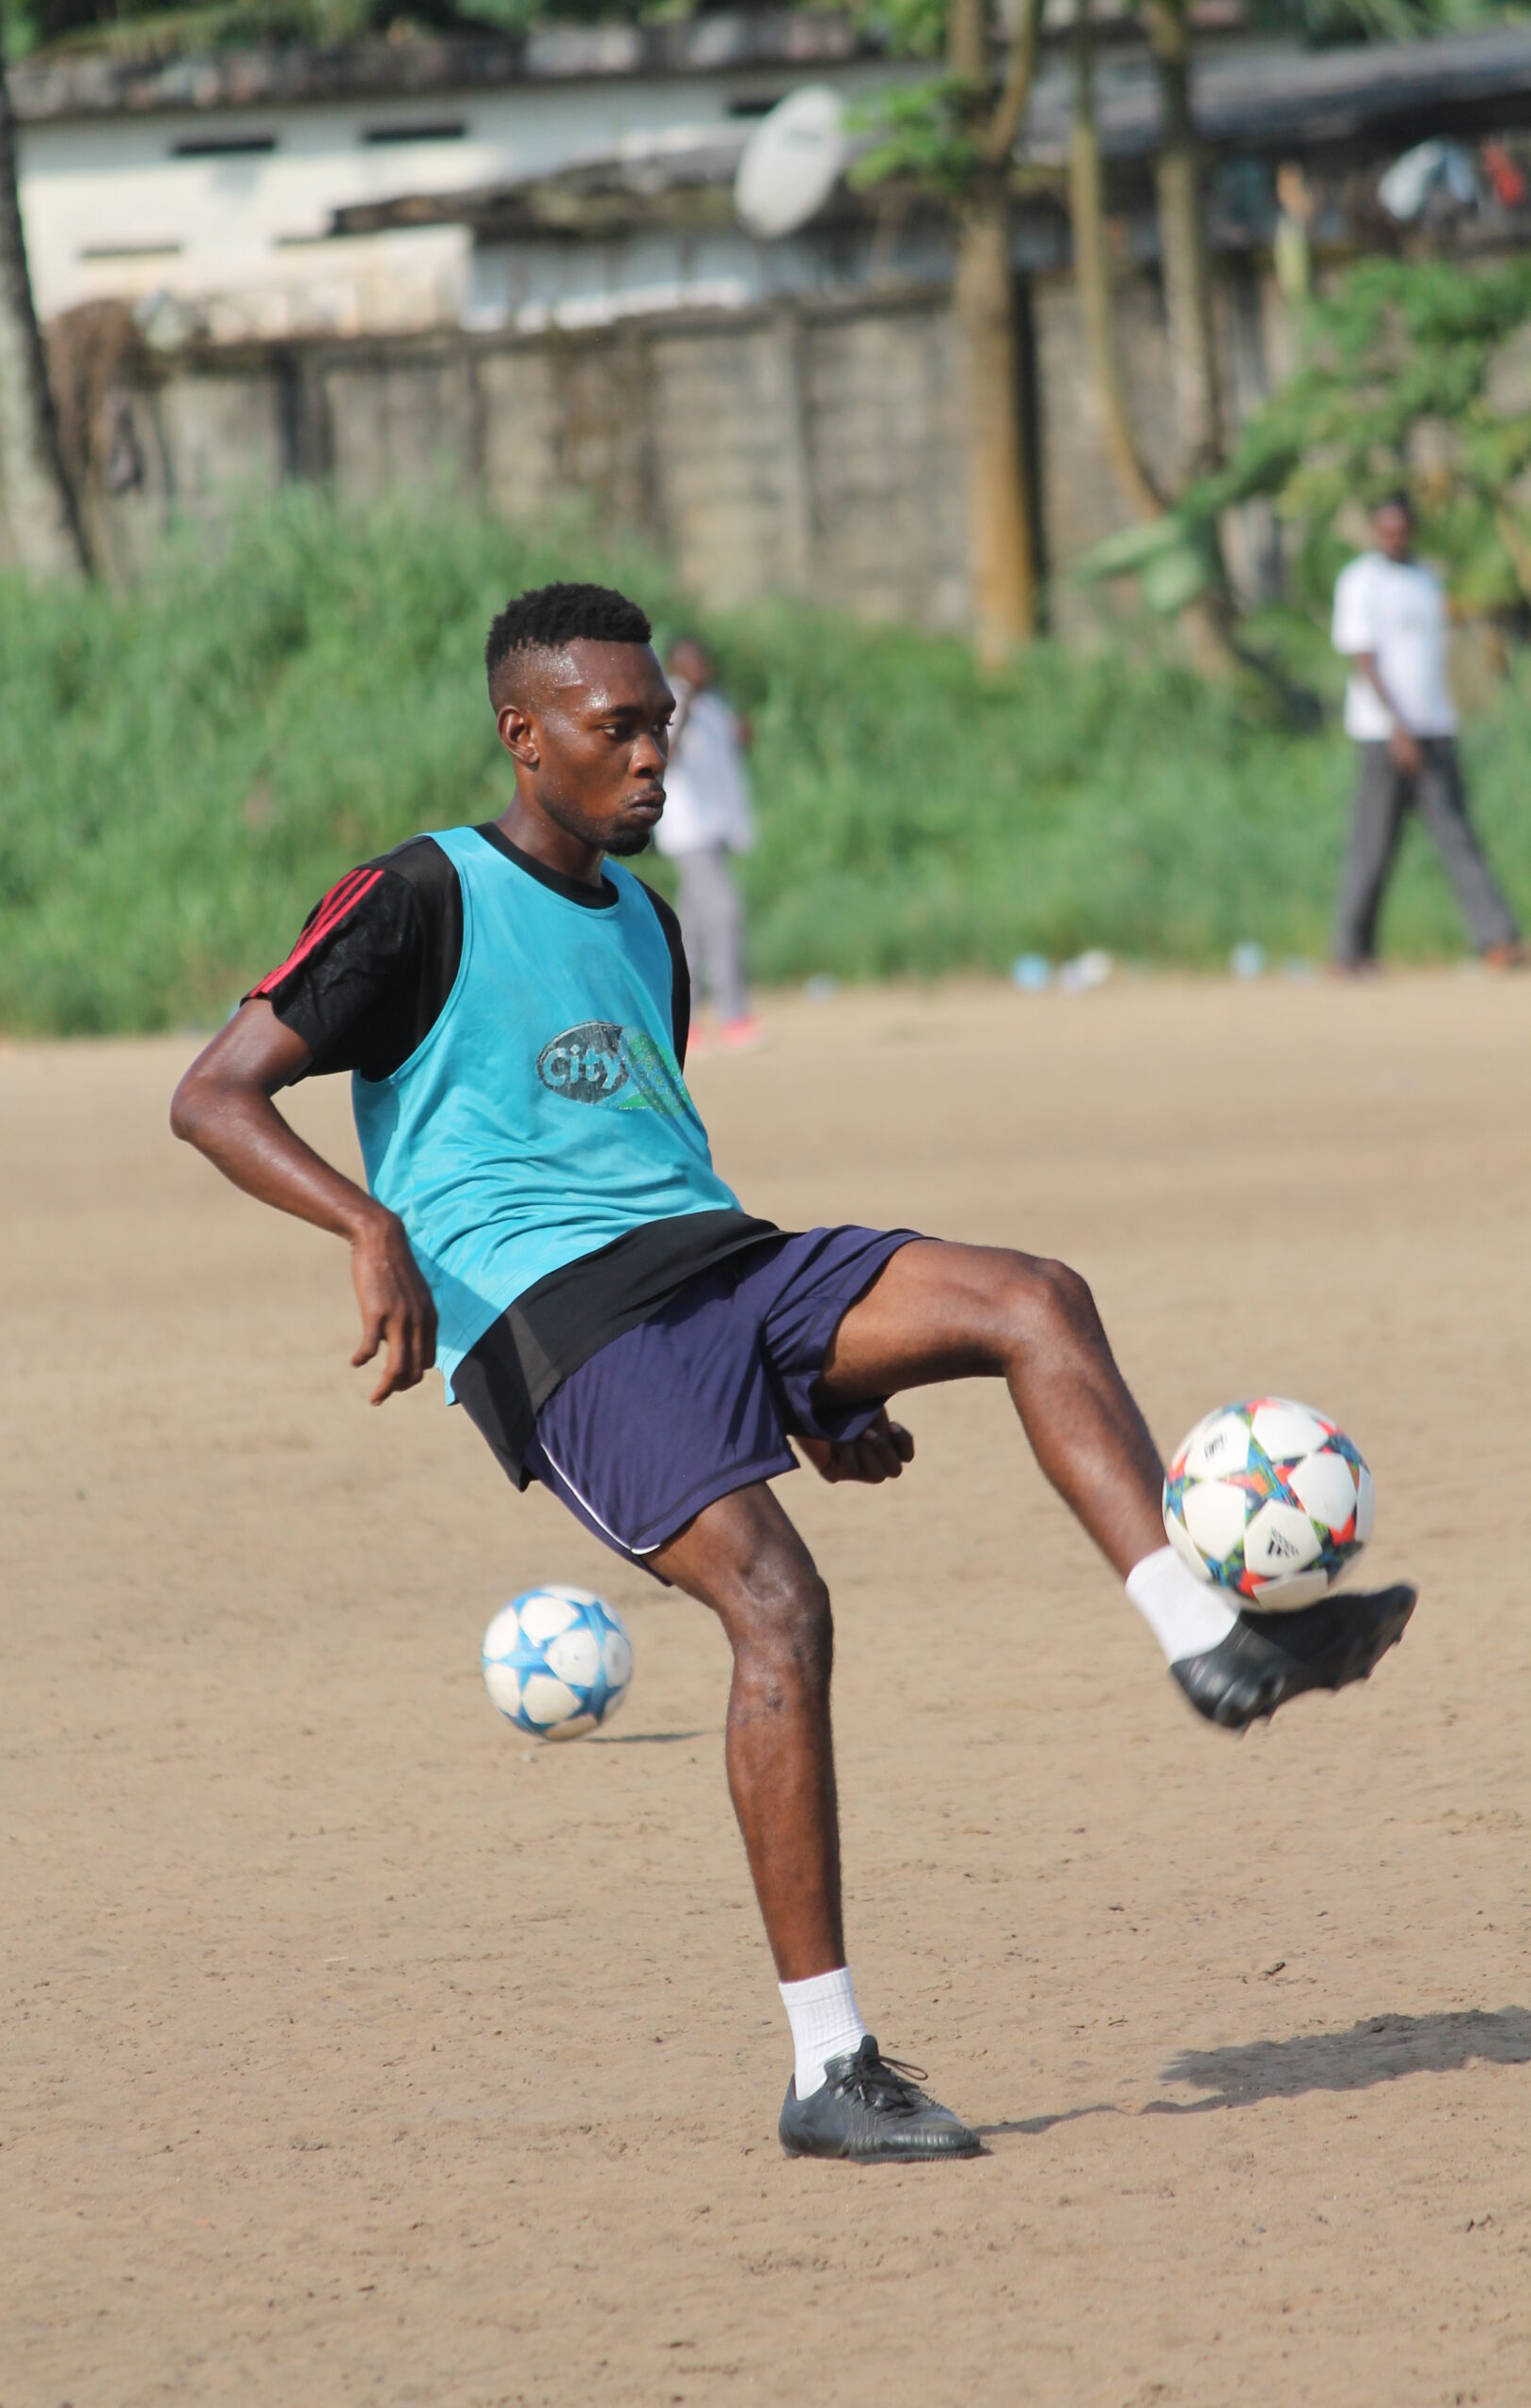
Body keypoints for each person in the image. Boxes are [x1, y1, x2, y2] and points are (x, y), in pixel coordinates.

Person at [171, 582, 1416, 2163]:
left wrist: (813, 1390)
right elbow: (214, 1094)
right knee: (777, 1605)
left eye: (661, 725)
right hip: (554, 1325)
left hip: (715, 1262)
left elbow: (661, 1162)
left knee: (1033, 1299)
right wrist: (369, 1227)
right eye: (614, 729)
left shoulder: (647, 926)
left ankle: (1207, 1637)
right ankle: (829, 2068)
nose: (651, 756)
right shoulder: (418, 895)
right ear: (522, 735)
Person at [1330, 494, 1523, 970]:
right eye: (1386, 531)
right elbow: (1363, 656)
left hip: (1434, 727)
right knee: (1373, 842)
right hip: (1383, 733)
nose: (1394, 539)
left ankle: (1498, 938)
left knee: (1457, 834)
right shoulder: (1361, 580)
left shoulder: (1425, 581)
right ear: (1375, 532)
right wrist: (1397, 726)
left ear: (1411, 531)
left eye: (1401, 531)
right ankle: (1350, 950)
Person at [654, 634, 762, 1052]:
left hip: (715, 828)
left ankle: (685, 1025)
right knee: (724, 913)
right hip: (689, 831)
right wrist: (688, 706)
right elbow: (668, 754)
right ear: (675, 665)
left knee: (693, 932)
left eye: (703, 661)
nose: (700, 669)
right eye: (691, 662)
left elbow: (724, 758)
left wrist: (741, 736)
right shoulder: (669, 702)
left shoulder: (714, 704)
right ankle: (734, 1017)